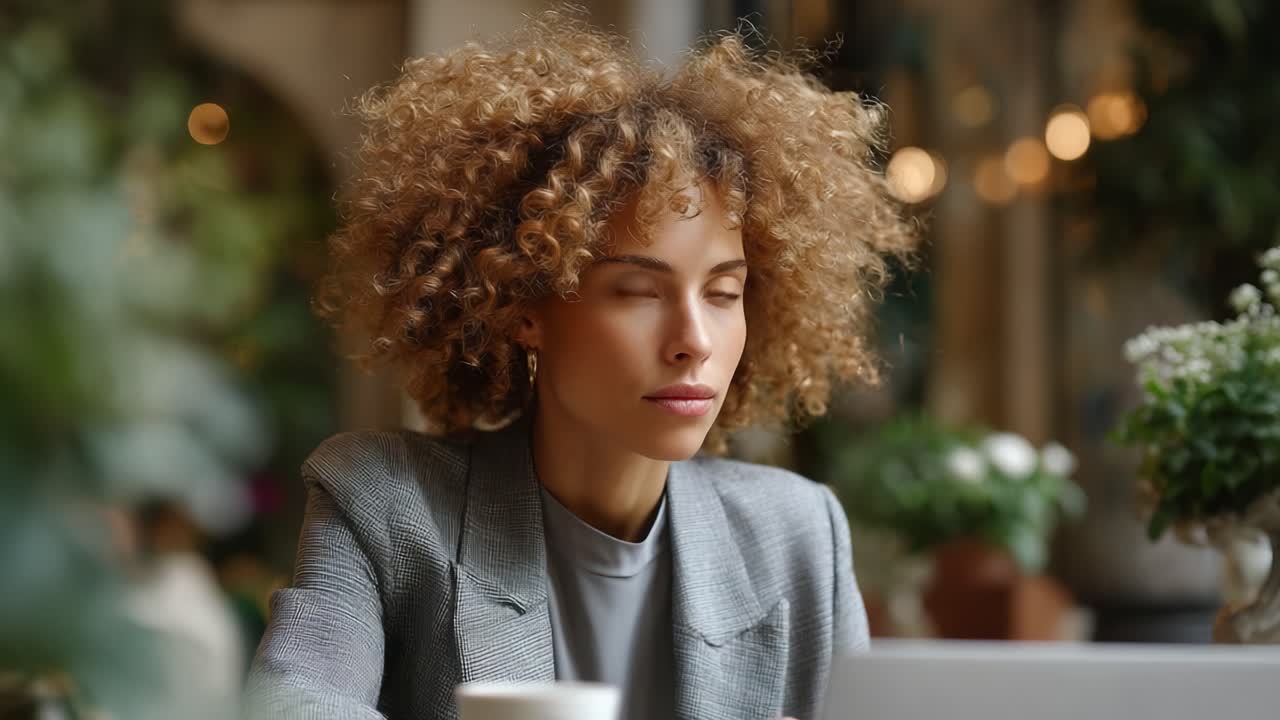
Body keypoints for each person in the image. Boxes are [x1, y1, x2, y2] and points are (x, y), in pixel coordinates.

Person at [245, 8, 915, 720]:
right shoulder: (386, 505)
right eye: (636, 291)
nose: (695, 339)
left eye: (724, 292)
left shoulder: (798, 534)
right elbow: (291, 704)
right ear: (524, 305)